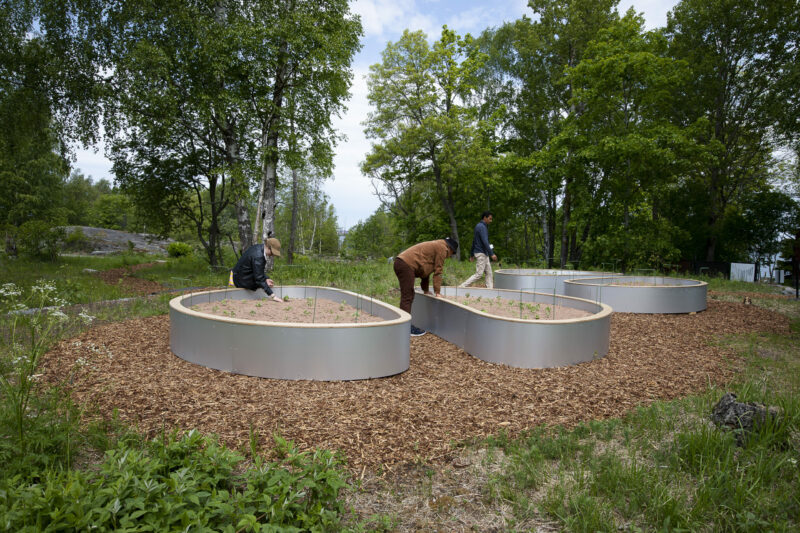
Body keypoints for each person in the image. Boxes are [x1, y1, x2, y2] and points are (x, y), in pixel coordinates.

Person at [393, 237, 459, 336]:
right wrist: (438, 292)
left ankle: (402, 324)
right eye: (451, 254)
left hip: (401, 262)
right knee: (408, 296)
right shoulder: (442, 248)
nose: (448, 256)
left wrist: (426, 290)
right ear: (450, 249)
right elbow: (438, 271)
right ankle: (405, 327)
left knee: (407, 295)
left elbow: (425, 272)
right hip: (406, 264)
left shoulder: (436, 245)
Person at [230, 237, 283, 302]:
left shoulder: (259, 247)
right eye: (273, 253)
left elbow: (258, 270)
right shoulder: (258, 256)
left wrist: (266, 278)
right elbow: (259, 278)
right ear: (269, 248)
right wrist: (273, 295)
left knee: (263, 282)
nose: (273, 255)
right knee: (260, 283)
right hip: (241, 280)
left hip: (240, 274)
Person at [460, 211, 497, 288]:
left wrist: (471, 254)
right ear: (485, 218)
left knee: (489, 273)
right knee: (479, 274)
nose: (491, 221)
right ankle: (462, 286)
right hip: (481, 253)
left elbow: (474, 241)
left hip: (484, 253)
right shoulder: (482, 227)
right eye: (490, 219)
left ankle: (490, 290)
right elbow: (485, 241)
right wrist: (492, 253)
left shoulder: (479, 226)